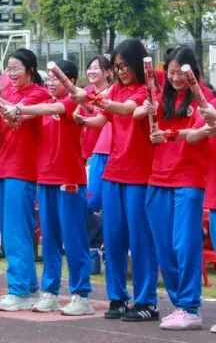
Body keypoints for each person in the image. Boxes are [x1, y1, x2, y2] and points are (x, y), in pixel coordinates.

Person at [74, 39, 158, 322]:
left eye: (124, 66)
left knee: (140, 238)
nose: (120, 71)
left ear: (137, 62)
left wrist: (98, 99)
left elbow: (128, 110)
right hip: (113, 170)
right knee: (113, 236)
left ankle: (146, 300)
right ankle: (118, 297)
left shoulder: (146, 88)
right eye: (117, 67)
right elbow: (103, 118)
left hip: (139, 173)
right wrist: (83, 117)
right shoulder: (116, 89)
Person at [143, 46, 215, 331]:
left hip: (188, 178)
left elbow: (200, 133)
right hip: (157, 178)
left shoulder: (204, 98)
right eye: (171, 72)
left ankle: (190, 306)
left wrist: (174, 134)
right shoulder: (160, 98)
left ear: (193, 73)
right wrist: (145, 110)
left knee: (183, 245)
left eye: (180, 73)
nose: (175, 78)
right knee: (163, 247)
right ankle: (180, 304)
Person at [14, 59, 94, 316]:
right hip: (45, 179)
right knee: (49, 240)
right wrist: (12, 111)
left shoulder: (72, 102)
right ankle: (50, 292)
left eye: (55, 78)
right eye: (47, 79)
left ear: (68, 80)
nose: (49, 83)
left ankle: (81, 295)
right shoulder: (45, 106)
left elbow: (51, 110)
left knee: (74, 240)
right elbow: (26, 117)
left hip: (69, 179)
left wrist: (21, 110)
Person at [0, 49, 48, 312]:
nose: (12, 73)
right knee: (9, 234)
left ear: (30, 69)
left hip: (24, 170)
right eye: (9, 69)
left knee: (18, 232)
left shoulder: (38, 94)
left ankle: (18, 289)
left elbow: (19, 114)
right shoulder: (7, 92)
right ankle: (28, 287)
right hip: (4, 168)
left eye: (16, 68)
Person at [81, 56, 114, 217]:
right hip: (88, 151)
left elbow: (100, 120)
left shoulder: (113, 93)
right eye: (89, 67)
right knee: (90, 199)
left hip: (107, 149)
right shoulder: (86, 92)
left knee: (103, 199)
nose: (91, 71)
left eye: (96, 67)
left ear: (108, 72)